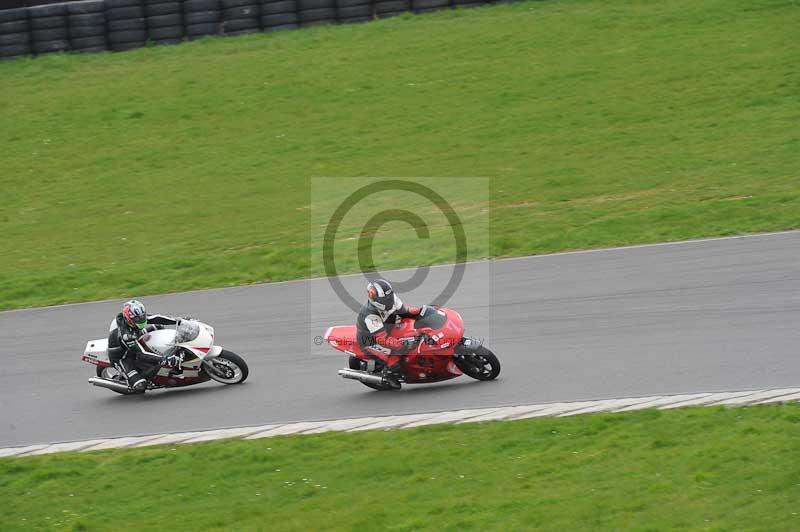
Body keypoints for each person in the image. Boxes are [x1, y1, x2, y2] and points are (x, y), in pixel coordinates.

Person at [107, 300, 187, 392]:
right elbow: (141, 354)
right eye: (138, 319)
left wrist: (180, 321)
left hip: (134, 340)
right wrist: (165, 360)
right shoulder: (125, 335)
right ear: (129, 318)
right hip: (121, 357)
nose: (141, 320)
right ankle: (124, 379)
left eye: (143, 316)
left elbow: (157, 318)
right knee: (140, 386)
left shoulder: (134, 318)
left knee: (158, 326)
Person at [356, 279, 422, 386]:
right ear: (376, 300)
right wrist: (403, 345)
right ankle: (389, 375)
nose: (389, 301)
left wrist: (421, 311)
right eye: (386, 299)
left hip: (387, 329)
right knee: (396, 361)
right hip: (370, 341)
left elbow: (404, 312)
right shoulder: (370, 315)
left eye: (390, 297)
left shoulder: (392, 299)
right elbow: (382, 340)